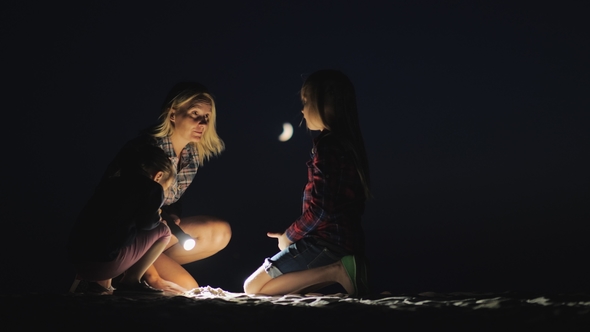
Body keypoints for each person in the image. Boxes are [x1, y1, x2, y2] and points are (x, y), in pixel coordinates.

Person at [243, 69, 371, 297]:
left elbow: (321, 209)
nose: (302, 110)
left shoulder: (327, 145)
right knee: (283, 290)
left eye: (306, 101)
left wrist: (290, 236)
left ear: (327, 104)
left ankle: (337, 271)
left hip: (327, 242)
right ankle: (339, 270)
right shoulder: (349, 145)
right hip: (348, 240)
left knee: (252, 288)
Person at [96, 82, 232, 294]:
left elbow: (171, 199)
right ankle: (132, 272)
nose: (202, 123)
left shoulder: (191, 155)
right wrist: (154, 278)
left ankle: (141, 265)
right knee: (188, 289)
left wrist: (173, 213)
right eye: (195, 113)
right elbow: (129, 216)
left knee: (219, 232)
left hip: (154, 235)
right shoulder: (148, 152)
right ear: (173, 114)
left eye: (206, 117)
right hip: (120, 237)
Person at [67, 144, 177, 295]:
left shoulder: (110, 184)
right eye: (165, 186)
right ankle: (130, 281)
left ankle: (100, 286)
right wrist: (157, 216)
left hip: (78, 263)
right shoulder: (151, 188)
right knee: (164, 231)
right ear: (158, 176)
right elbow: (148, 223)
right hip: (103, 266)